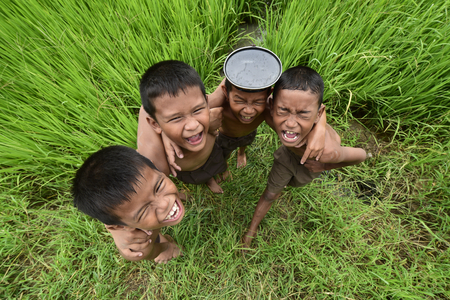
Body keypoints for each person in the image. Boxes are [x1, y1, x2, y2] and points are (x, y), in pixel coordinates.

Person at [242, 66, 367, 248]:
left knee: (297, 183)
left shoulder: (328, 151)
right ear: (271, 106)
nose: (290, 123)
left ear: (317, 114)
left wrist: (325, 167)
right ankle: (251, 230)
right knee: (270, 193)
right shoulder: (269, 114)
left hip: (314, 162)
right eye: (283, 110)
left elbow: (361, 155)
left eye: (303, 114)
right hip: (288, 156)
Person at [72, 146, 184, 263]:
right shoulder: (139, 238)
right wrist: (165, 247)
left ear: (152, 164)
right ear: (120, 227)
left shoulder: (152, 164)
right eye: (144, 211)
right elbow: (150, 252)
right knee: (152, 231)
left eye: (159, 186)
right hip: (142, 229)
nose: (164, 204)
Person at [137, 60, 227, 193]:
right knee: (201, 177)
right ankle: (208, 181)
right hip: (190, 171)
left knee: (216, 166)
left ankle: (211, 178)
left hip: (213, 155)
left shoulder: (206, 107)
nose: (192, 125)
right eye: (176, 118)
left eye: (197, 110)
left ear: (206, 103)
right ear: (155, 124)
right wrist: (165, 134)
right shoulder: (159, 153)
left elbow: (232, 79)